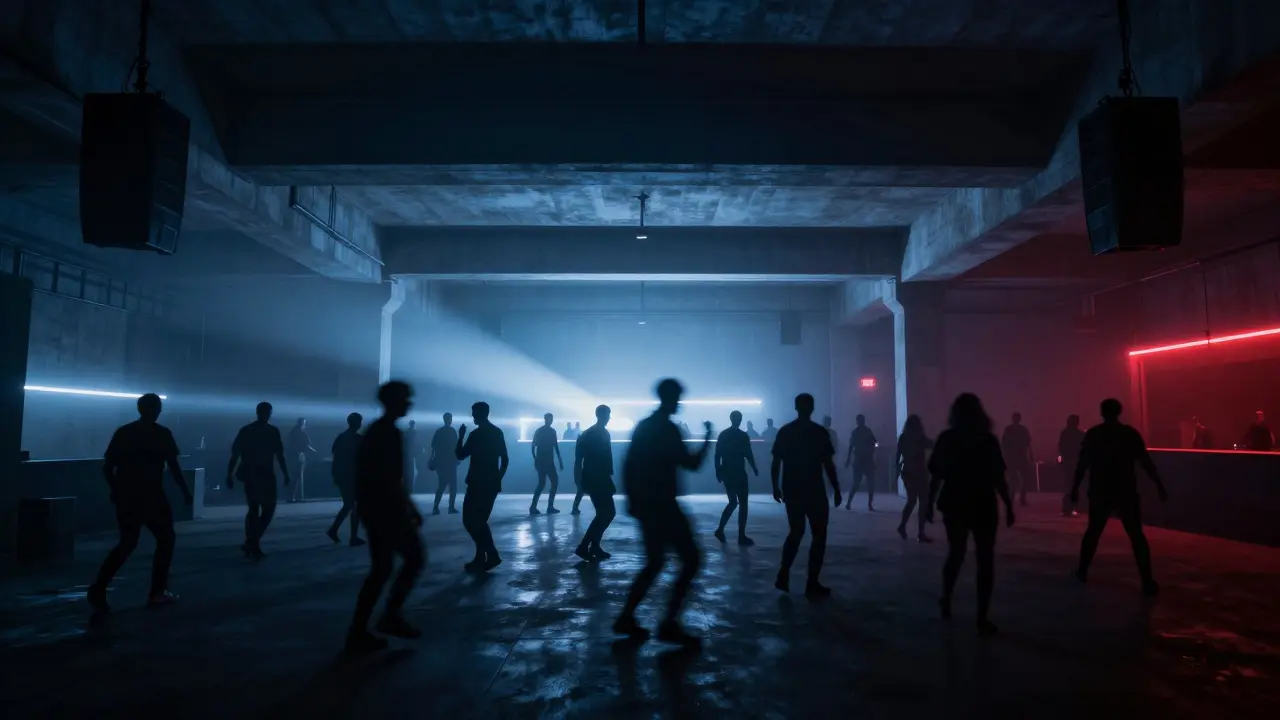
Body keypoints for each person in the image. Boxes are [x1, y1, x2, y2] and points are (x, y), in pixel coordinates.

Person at [615, 378, 712, 646]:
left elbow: (628, 464)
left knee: (655, 563)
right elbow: (691, 464)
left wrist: (633, 500)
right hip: (664, 505)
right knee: (690, 559)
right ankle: (668, 623)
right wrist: (707, 438)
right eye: (679, 397)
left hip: (648, 505)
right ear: (671, 397)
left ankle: (628, 617)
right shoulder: (668, 429)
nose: (680, 402)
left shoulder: (645, 427)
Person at [87, 393, 192, 610]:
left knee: (127, 542)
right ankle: (157, 591)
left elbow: (108, 468)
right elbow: (173, 467)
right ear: (156, 410)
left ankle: (99, 586)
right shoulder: (162, 434)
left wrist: (116, 490)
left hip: (128, 495)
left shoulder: (124, 432)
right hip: (153, 494)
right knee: (166, 539)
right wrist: (185, 492)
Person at [925, 393, 1015, 636]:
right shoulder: (987, 440)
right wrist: (1008, 505)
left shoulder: (947, 439)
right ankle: (982, 616)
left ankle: (946, 598)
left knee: (956, 553)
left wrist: (928, 505)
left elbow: (936, 476)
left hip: (954, 502)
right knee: (985, 559)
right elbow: (998, 478)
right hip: (983, 503)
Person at [346, 381, 426, 653]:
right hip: (385, 510)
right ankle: (389, 616)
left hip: (376, 508)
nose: (409, 403)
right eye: (406, 399)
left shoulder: (380, 431)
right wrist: (407, 508)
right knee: (412, 558)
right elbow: (389, 477)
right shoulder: (386, 433)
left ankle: (359, 632)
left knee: (381, 569)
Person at [1071, 398, 1168, 596]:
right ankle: (1147, 579)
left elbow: (1082, 463)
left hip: (1101, 490)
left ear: (1102, 412)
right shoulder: (1129, 434)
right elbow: (1145, 462)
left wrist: (1074, 487)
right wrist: (1158, 484)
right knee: (1136, 536)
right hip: (1125, 490)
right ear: (1119, 411)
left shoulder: (1094, 435)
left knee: (1093, 532)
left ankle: (1082, 571)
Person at [772, 393, 842, 598]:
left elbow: (777, 462)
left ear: (796, 407)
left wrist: (775, 486)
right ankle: (812, 582)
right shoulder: (819, 432)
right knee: (819, 535)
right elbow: (828, 464)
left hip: (793, 489)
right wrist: (836, 489)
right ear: (812, 408)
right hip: (815, 490)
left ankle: (783, 574)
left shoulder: (786, 432)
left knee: (796, 532)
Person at [227, 402, 290, 560]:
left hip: (251, 473)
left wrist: (229, 474)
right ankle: (253, 542)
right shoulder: (272, 431)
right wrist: (285, 473)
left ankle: (252, 541)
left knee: (253, 508)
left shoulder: (247, 430)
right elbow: (280, 456)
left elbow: (235, 455)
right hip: (266, 474)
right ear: (269, 413)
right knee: (268, 509)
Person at [456, 401, 509, 572]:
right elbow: (505, 459)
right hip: (490, 483)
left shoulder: (475, 435)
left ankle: (491, 555)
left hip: (476, 482)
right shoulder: (496, 432)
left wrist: (460, 435)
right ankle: (482, 557)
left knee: (471, 520)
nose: (472, 416)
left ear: (481, 413)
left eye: (474, 412)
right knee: (480, 521)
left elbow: (460, 455)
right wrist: (497, 478)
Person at [573, 404, 617, 561]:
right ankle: (585, 546)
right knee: (606, 513)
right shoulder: (593, 434)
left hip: (600, 478)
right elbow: (578, 460)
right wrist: (578, 482)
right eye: (608, 414)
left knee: (605, 513)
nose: (609, 417)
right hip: (596, 479)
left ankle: (592, 546)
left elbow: (579, 459)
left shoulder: (598, 433)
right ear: (601, 415)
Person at [714, 410, 759, 546]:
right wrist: (754, 467)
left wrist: (718, 471)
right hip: (739, 472)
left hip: (728, 472)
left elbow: (718, 455)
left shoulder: (724, 435)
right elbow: (748, 454)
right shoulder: (743, 436)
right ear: (739, 420)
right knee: (742, 504)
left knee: (733, 502)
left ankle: (721, 530)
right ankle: (740, 536)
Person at [327, 412, 366, 546]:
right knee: (353, 506)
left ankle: (335, 530)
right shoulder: (358, 439)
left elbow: (335, 458)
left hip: (344, 476)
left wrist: (335, 475)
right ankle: (351, 536)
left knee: (349, 505)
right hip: (353, 476)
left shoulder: (342, 437)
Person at [895, 415, 934, 542]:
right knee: (923, 502)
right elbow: (931, 445)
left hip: (908, 472)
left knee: (911, 501)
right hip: (920, 473)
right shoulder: (920, 438)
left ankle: (902, 526)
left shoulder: (903, 437)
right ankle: (920, 533)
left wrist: (896, 471)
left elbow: (898, 456)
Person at [530, 413, 564, 514]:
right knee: (553, 482)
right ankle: (549, 506)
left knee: (542, 483)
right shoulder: (551, 431)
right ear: (548, 420)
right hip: (548, 461)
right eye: (551, 419)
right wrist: (560, 459)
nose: (551, 420)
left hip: (542, 460)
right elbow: (555, 446)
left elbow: (533, 446)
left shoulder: (539, 431)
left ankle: (534, 506)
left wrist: (535, 458)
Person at [844, 414, 877, 511]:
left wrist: (848, 459)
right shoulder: (868, 431)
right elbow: (875, 442)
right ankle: (869, 505)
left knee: (856, 483)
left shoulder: (855, 432)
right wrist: (872, 449)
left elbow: (851, 446)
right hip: (867, 460)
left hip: (859, 460)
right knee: (870, 483)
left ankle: (849, 503)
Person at [1001, 412, 1034, 507]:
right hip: (1014, 457)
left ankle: (1019, 498)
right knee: (1014, 479)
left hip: (1018, 457)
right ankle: (1015, 498)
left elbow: (1028, 443)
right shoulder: (1011, 429)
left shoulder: (1020, 429)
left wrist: (1030, 454)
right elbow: (1004, 444)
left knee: (1022, 479)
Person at [429, 413, 460, 515]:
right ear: (449, 419)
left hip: (441, 462)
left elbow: (433, 447)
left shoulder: (439, 431)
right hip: (451, 462)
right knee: (452, 486)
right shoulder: (452, 431)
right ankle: (451, 507)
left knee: (442, 485)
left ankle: (436, 507)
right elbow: (456, 446)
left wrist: (431, 459)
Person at [1057, 415, 1086, 517]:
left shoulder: (1065, 433)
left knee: (1068, 485)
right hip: (1075, 462)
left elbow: (1061, 447)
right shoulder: (1079, 434)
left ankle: (1067, 508)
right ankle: (1073, 507)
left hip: (1068, 462)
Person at [285, 417, 315, 503]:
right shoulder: (301, 433)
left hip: (292, 456)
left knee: (294, 477)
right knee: (298, 477)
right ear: (302, 423)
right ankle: (297, 497)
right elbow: (307, 445)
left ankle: (292, 496)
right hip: (299, 457)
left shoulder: (292, 432)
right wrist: (314, 452)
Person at [403, 419, 420, 495]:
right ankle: (408, 489)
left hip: (409, 455)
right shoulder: (413, 432)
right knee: (410, 473)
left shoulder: (408, 432)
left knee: (409, 473)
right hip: (409, 455)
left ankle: (408, 489)